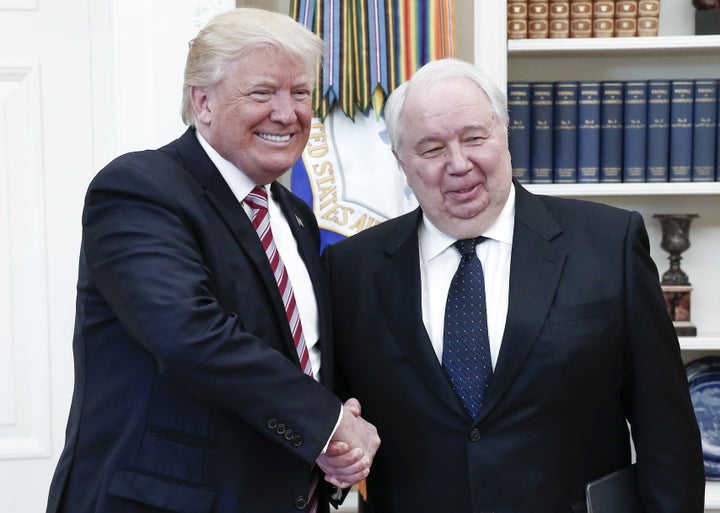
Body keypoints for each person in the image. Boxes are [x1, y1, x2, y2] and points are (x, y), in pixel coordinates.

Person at [322, 58, 705, 513]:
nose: (458, 164)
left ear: (505, 134)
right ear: (401, 161)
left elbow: (666, 427)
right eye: (431, 149)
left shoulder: (608, 244)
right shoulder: (350, 269)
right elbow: (335, 420)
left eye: (474, 138)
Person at [46, 8, 379, 513]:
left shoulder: (295, 216)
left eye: (301, 93)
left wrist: (329, 450)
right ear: (202, 101)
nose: (288, 113)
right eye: (263, 92)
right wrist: (327, 422)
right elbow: (188, 335)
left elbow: (301, 358)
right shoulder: (141, 188)